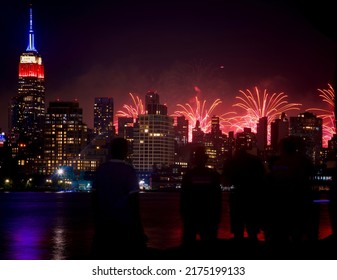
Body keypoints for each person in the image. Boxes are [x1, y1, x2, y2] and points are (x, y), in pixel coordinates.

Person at [91, 137, 147, 259]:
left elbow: (94, 199)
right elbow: (134, 203)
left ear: (111, 151)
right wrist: (139, 229)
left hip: (103, 225)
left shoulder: (101, 170)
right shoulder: (129, 171)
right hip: (124, 225)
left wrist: (97, 221)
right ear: (125, 152)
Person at [265, 136, 317, 245]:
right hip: (301, 203)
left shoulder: (278, 163)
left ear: (283, 148)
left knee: (283, 236)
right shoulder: (303, 161)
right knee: (298, 235)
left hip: (282, 204)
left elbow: (274, 180)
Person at [180, 146, 222, 250]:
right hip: (209, 214)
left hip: (192, 214)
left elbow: (184, 196)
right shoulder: (213, 175)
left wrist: (184, 212)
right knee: (208, 244)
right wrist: (217, 215)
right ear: (206, 159)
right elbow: (217, 197)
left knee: (189, 243)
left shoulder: (189, 175)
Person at [222, 148, 266, 242]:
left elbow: (225, 181)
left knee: (238, 231)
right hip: (253, 199)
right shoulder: (255, 161)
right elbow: (263, 178)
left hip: (237, 198)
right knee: (253, 231)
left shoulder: (231, 162)